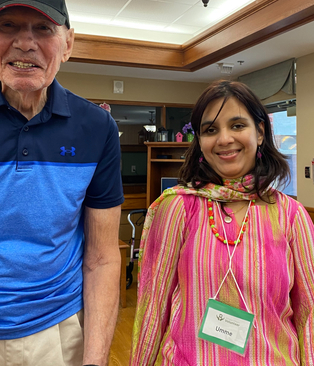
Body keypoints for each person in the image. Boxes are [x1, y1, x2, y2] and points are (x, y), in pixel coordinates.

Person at [0, 0, 124, 366]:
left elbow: (103, 258)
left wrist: (95, 360)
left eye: (43, 27)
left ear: (68, 43)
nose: (25, 43)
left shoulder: (97, 128)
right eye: (8, 26)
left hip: (61, 333)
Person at [130, 80, 314, 365]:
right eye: (210, 130)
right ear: (200, 142)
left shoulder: (290, 215)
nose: (224, 139)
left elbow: (309, 314)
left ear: (261, 132)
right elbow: (152, 306)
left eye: (238, 125)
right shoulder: (178, 207)